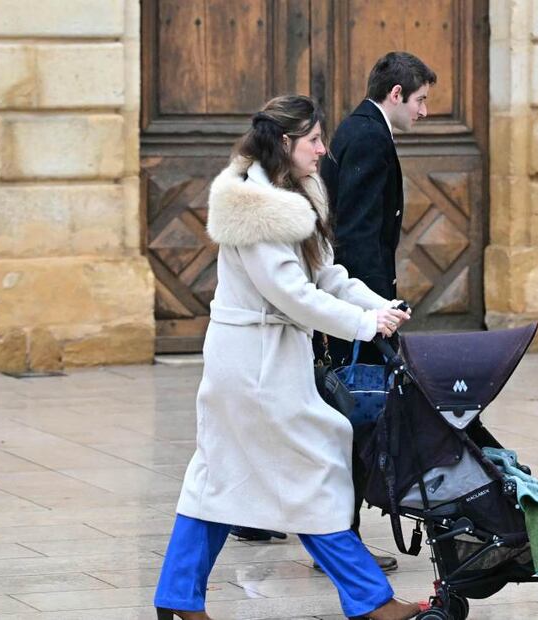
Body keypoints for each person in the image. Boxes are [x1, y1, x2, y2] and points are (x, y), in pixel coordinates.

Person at [153, 95, 418, 620]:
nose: (324, 149)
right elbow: (290, 294)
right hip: (253, 363)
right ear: (285, 143)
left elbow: (326, 275)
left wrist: (376, 304)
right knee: (314, 467)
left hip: (262, 359)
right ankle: (370, 599)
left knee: (218, 475)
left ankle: (178, 597)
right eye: (315, 140)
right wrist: (363, 325)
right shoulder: (255, 208)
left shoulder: (290, 194)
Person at [317, 51, 435, 573]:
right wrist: (374, 308)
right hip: (355, 309)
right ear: (396, 95)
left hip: (354, 301)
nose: (425, 111)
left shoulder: (364, 128)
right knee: (353, 421)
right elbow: (359, 233)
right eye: (421, 100)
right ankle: (340, 540)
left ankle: (281, 521)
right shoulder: (368, 134)